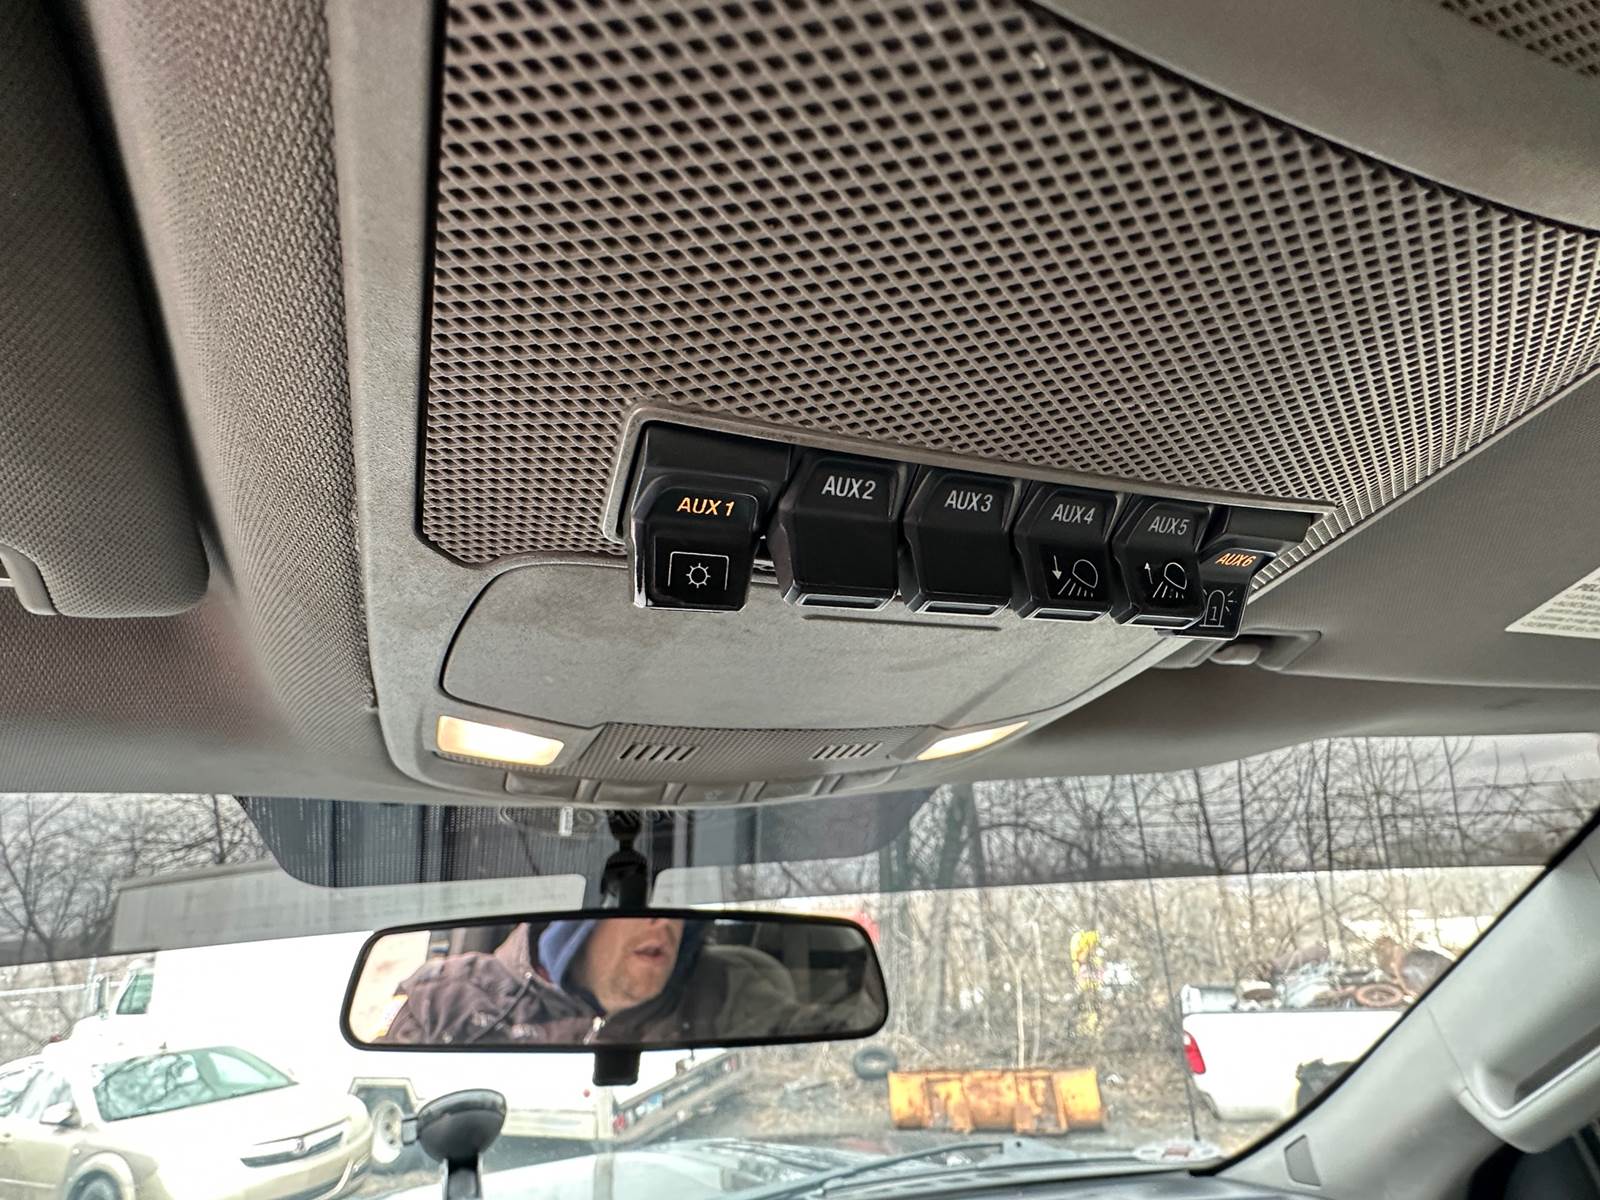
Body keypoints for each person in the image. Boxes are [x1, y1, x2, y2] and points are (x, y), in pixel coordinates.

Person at [375, 916, 879, 1046]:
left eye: (677, 911)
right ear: (577, 924)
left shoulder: (729, 988)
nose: (665, 922)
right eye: (636, 908)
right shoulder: (445, 997)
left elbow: (828, 1028)